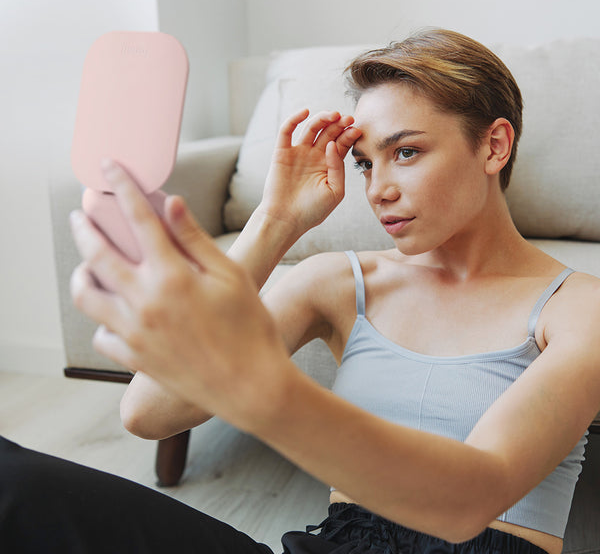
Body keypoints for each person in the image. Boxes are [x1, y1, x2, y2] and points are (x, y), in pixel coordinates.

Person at [2, 28, 599, 554]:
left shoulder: (578, 307)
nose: (380, 189)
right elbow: (148, 411)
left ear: (493, 145)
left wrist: (265, 392)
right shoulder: (342, 282)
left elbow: (472, 498)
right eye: (365, 162)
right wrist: (276, 220)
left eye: (407, 152)